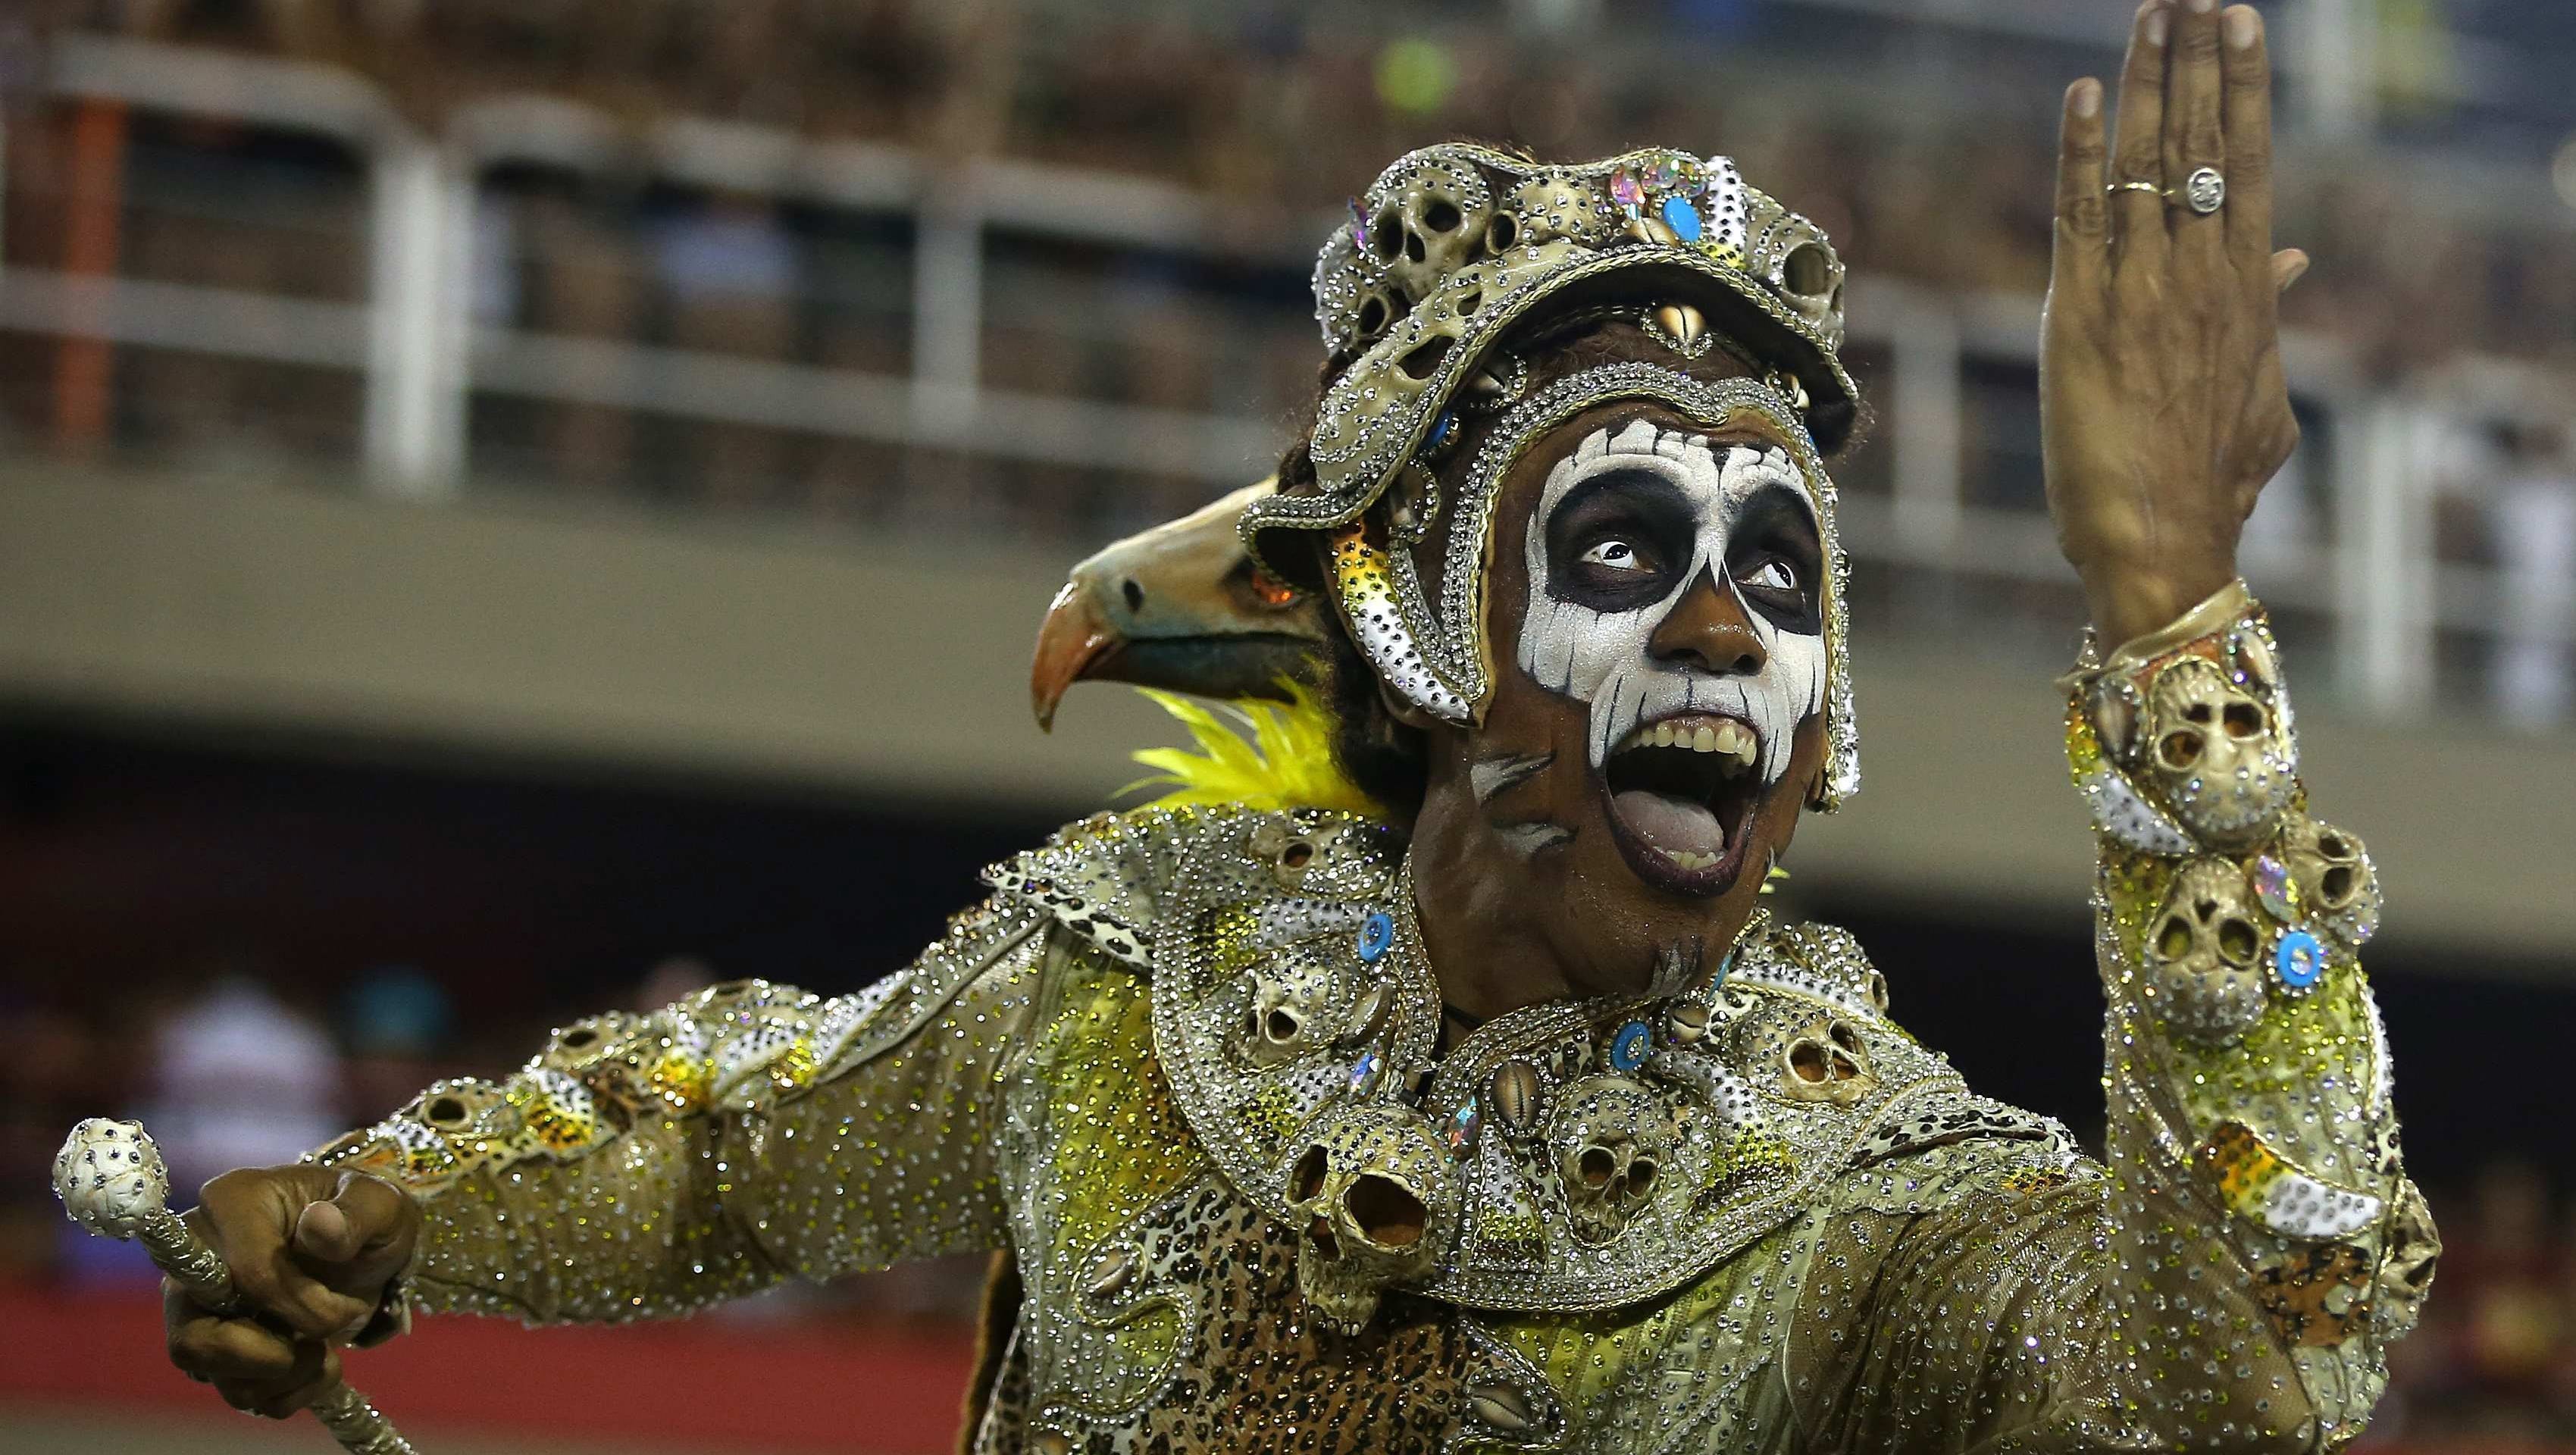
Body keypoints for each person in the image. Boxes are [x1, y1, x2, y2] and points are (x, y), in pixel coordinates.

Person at [161, 5, 2440, 1449]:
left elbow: (2234, 1384)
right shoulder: (1145, 981)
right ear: (1432, 621)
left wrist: (2172, 621)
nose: (1737, 634)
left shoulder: (1855, 1211)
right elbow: (739, 1151)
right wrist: (381, 1215)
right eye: (1634, 548)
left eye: (1786, 571)